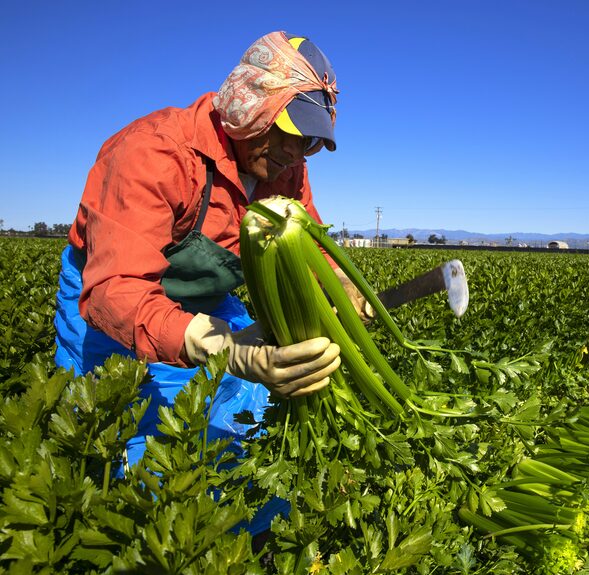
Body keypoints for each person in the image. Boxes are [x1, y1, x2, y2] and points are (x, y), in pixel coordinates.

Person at [54, 31, 368, 533]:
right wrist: (229, 350)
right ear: (249, 103)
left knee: (253, 417)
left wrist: (337, 284)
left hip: (206, 298)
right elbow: (118, 291)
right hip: (114, 304)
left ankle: (246, 536)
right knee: (139, 451)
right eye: (290, 131)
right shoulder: (155, 153)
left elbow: (309, 240)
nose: (297, 151)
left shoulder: (286, 169)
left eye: (309, 139)